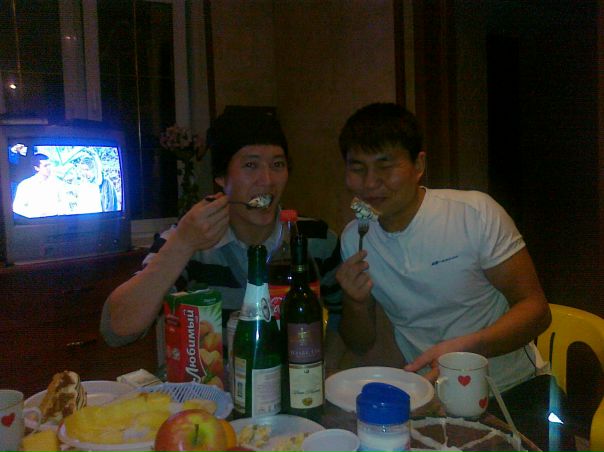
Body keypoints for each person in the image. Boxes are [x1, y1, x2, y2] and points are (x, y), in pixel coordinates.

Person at [335, 103, 567, 448]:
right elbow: (360, 342)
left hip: (513, 389)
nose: (370, 183)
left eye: (386, 165)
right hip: (430, 400)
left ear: (419, 165)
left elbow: (536, 311)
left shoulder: (474, 214)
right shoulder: (355, 238)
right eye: (358, 168)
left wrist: (467, 349)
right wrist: (354, 302)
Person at [100, 108, 341, 350]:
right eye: (251, 165)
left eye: (277, 164)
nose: (267, 180)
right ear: (222, 177)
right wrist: (183, 243)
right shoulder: (189, 238)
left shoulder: (317, 240)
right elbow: (117, 329)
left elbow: (344, 326)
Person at [12, 153, 68, 218]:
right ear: (36, 168)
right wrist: (36, 214)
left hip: (56, 221)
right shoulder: (25, 185)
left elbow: (64, 204)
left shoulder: (58, 184)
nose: (49, 168)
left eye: (49, 165)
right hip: (33, 222)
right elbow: (17, 208)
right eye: (45, 166)